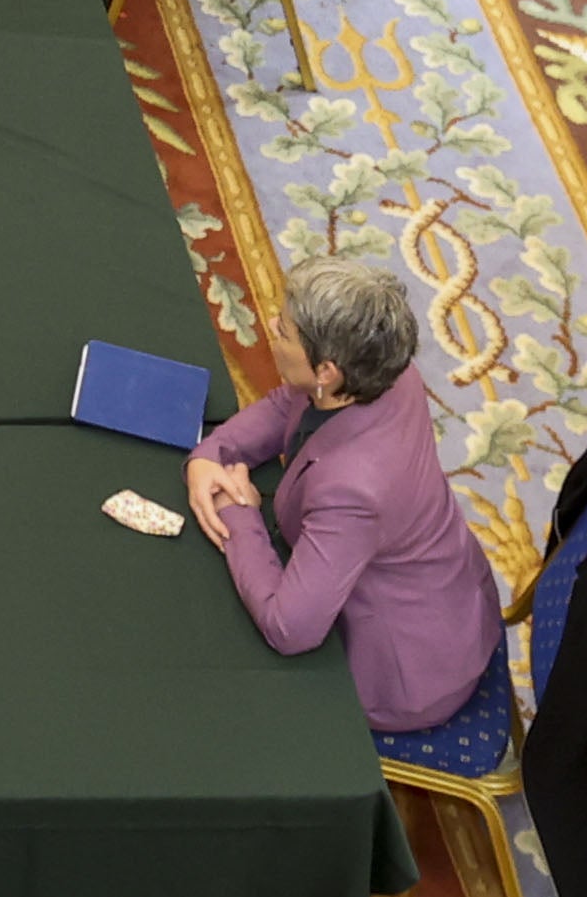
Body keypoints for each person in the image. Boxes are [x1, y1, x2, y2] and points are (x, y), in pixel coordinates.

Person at [184, 253, 505, 735]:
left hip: (402, 671)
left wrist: (238, 510)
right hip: (442, 589)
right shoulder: (382, 371)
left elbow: (288, 628)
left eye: (285, 330)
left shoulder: (353, 491)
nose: (270, 325)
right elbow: (288, 405)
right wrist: (214, 453)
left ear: (327, 370)